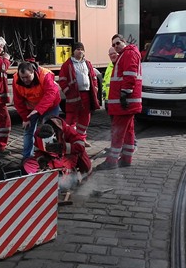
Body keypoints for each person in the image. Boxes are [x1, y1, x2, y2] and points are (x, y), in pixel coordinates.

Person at [95, 34, 142, 171]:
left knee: (118, 131)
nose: (116, 46)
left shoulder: (128, 54)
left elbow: (130, 74)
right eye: (113, 44)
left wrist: (124, 93)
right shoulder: (126, 54)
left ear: (124, 42)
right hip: (127, 102)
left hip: (125, 102)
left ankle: (112, 161)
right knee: (128, 131)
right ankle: (126, 159)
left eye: (118, 43)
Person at [21, 116, 92, 189]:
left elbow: (80, 147)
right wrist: (41, 159)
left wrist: (62, 147)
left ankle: (70, 179)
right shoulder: (38, 134)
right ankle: (47, 176)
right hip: (53, 161)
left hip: (68, 158)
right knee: (28, 164)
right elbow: (38, 151)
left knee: (73, 161)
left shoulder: (67, 130)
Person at [13, 61, 61, 159]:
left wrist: (38, 110)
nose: (25, 80)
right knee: (28, 131)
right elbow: (18, 101)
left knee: (49, 131)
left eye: (27, 77)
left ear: (33, 72)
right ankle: (27, 158)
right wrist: (25, 118)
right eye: (22, 78)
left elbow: (51, 94)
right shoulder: (16, 79)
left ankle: (52, 156)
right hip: (31, 108)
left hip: (50, 107)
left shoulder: (45, 75)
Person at [58, 42, 100, 146]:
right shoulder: (67, 65)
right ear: (73, 51)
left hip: (86, 95)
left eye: (82, 49)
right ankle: (70, 141)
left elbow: (94, 77)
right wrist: (68, 92)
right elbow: (62, 80)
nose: (80, 51)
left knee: (85, 118)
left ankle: (81, 139)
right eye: (77, 49)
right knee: (71, 119)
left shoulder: (88, 63)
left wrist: (95, 88)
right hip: (74, 96)